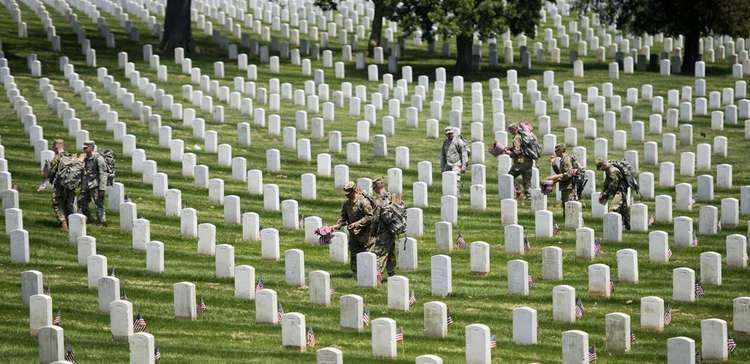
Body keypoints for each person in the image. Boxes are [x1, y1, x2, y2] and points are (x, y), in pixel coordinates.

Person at [333, 181, 375, 274]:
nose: (347, 195)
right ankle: (355, 273)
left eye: (349, 193)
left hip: (365, 234)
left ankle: (368, 273)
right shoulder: (346, 204)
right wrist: (337, 225)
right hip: (353, 234)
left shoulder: (363, 202)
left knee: (366, 254)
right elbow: (344, 217)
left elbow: (370, 216)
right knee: (354, 253)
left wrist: (356, 224)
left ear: (354, 191)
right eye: (346, 193)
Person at [369, 178, 398, 278]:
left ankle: (378, 275)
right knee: (390, 251)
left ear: (376, 188)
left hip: (383, 231)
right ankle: (391, 273)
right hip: (393, 229)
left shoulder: (379, 201)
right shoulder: (392, 196)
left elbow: (376, 219)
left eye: (374, 188)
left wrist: (372, 232)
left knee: (380, 253)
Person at [48, 139, 76, 231]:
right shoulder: (70, 156)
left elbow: (51, 174)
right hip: (70, 186)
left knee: (57, 203)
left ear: (56, 146)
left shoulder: (57, 158)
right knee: (69, 204)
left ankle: (64, 226)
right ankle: (74, 225)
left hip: (59, 186)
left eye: (53, 146)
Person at [78, 141, 108, 226]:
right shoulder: (83, 158)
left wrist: (102, 188)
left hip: (95, 185)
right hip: (85, 184)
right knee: (81, 201)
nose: (84, 149)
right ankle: (88, 218)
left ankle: (102, 221)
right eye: (84, 147)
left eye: (86, 147)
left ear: (91, 148)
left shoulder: (98, 158)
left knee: (98, 203)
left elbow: (103, 174)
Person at [506, 123, 539, 199]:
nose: (510, 132)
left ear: (514, 129)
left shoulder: (517, 138)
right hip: (529, 161)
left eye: (511, 130)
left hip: (520, 161)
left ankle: (518, 191)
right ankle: (529, 196)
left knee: (510, 176)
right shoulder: (525, 136)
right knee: (527, 181)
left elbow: (517, 151)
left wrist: (509, 153)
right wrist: (510, 148)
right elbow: (522, 147)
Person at [545, 144, 579, 217]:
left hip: (569, 186)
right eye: (555, 151)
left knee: (568, 205)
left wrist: (556, 180)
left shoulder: (566, 160)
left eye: (557, 151)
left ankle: (569, 221)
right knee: (565, 204)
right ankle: (567, 221)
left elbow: (568, 174)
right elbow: (560, 173)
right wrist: (553, 163)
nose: (555, 152)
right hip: (565, 185)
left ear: (561, 150)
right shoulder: (562, 159)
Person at [597, 159, 631, 230]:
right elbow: (607, 183)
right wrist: (603, 192)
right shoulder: (608, 170)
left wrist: (605, 194)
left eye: (601, 168)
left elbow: (613, 186)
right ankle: (627, 226)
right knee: (623, 209)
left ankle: (614, 228)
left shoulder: (613, 172)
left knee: (613, 209)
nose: (601, 170)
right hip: (617, 192)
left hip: (620, 192)